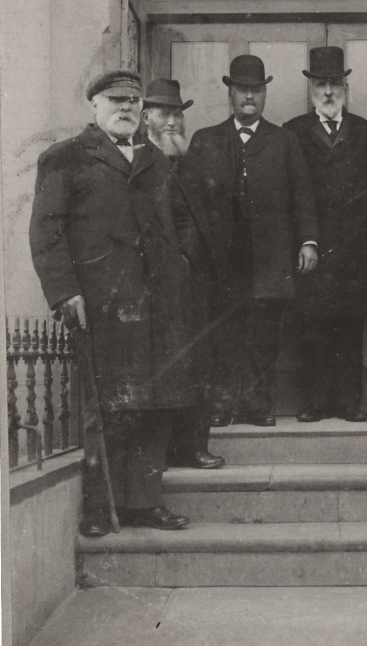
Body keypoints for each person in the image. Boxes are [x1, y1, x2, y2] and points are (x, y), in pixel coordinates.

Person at [30, 70, 193, 536]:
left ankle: (144, 503)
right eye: (114, 100)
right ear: (93, 106)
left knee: (154, 404)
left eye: (133, 101)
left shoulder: (157, 161)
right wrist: (64, 293)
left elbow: (181, 221)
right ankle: (100, 510)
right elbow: (46, 232)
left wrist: (180, 266)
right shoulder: (63, 159)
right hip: (101, 306)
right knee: (105, 408)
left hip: (158, 305)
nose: (125, 107)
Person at [182, 54, 319, 427]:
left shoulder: (284, 140)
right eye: (242, 90)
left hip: (269, 258)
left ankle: (259, 405)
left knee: (263, 336)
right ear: (230, 93)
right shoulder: (205, 140)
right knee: (223, 335)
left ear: (264, 95)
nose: (249, 97)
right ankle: (223, 405)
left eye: (256, 91)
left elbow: (302, 194)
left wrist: (308, 241)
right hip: (222, 261)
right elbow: (190, 202)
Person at [284, 47, 367, 423]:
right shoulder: (293, 131)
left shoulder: (364, 130)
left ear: (345, 86)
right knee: (311, 327)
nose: (328, 92)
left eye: (335, 84)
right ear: (311, 88)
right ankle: (314, 403)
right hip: (310, 248)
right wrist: (301, 240)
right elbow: (289, 191)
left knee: (349, 326)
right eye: (320, 84)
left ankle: (349, 403)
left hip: (353, 248)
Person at [142, 77, 225, 470]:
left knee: (199, 362)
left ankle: (193, 445)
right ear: (146, 118)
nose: (172, 121)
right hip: (152, 286)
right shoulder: (139, 164)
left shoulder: (193, 163)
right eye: (164, 113)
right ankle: (161, 451)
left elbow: (202, 219)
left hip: (193, 282)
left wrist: (189, 257)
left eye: (177, 113)